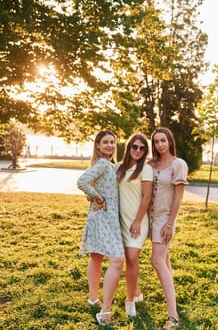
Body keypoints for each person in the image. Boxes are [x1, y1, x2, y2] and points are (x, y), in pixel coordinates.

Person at [77, 130, 124, 326]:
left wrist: (95, 195)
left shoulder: (109, 165)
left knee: (96, 256)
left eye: (112, 142)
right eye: (105, 142)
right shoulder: (104, 163)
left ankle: (92, 297)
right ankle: (104, 310)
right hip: (103, 215)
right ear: (97, 145)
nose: (109, 145)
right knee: (117, 259)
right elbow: (82, 182)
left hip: (104, 215)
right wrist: (97, 197)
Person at [148, 127, 188, 329]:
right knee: (164, 260)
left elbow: (179, 197)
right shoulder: (151, 164)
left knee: (156, 260)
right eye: (156, 142)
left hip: (165, 218)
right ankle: (174, 304)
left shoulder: (178, 164)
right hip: (148, 218)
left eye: (163, 140)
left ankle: (172, 316)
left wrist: (170, 224)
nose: (160, 144)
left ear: (170, 141)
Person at [116, 133, 153, 317]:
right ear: (128, 147)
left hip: (137, 221)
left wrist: (138, 220)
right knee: (121, 259)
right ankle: (135, 292)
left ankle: (129, 300)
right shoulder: (119, 168)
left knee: (131, 257)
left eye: (142, 148)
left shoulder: (145, 170)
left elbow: (147, 197)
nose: (138, 150)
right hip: (119, 222)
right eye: (134, 147)